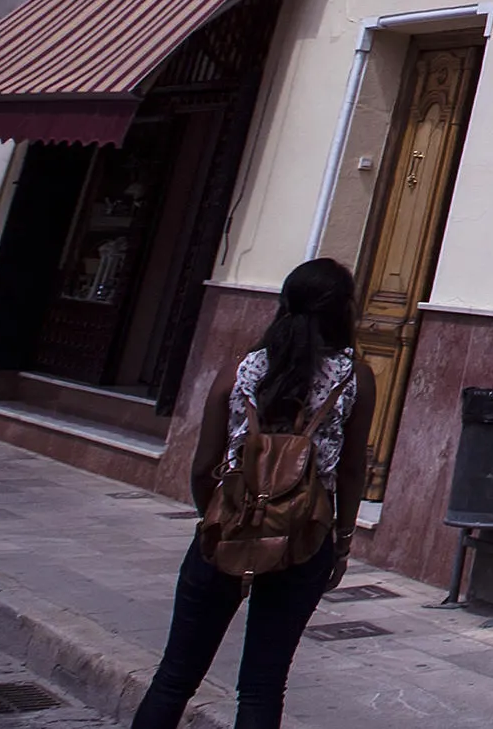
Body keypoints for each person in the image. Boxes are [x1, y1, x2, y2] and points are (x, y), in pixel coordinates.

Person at [131, 258, 376, 729]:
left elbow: (203, 467)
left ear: (283, 305)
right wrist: (341, 543)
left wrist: (221, 521)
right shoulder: (353, 379)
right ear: (344, 311)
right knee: (263, 686)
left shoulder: (239, 371)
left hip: (228, 531)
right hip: (303, 538)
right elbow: (350, 471)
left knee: (176, 676)